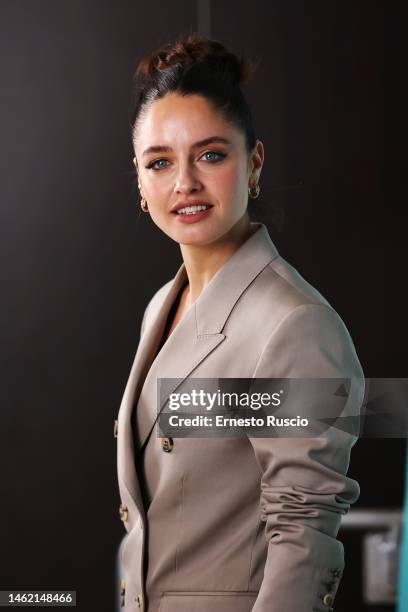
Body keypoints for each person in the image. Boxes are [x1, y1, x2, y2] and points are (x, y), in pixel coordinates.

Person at [115, 32, 365, 612]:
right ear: (138, 178)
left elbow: (303, 537)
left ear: (253, 161)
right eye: (160, 162)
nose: (184, 184)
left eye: (210, 154)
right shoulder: (162, 306)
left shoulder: (295, 324)